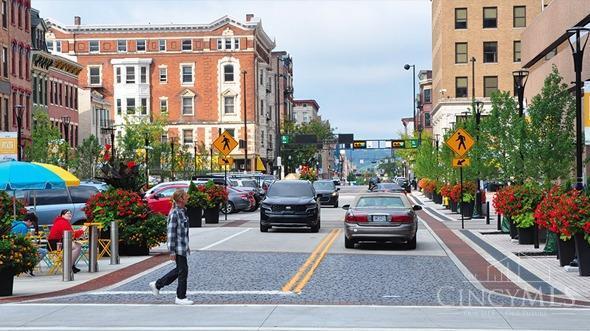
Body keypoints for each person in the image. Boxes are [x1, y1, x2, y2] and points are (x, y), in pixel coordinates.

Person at [149, 189, 193, 305]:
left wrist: (187, 246)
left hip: (182, 247)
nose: (188, 197)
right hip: (177, 248)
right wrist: (172, 251)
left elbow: (183, 233)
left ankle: (157, 285)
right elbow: (171, 233)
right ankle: (180, 297)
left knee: (181, 270)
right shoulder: (175, 213)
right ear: (180, 199)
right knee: (183, 271)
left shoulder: (183, 211)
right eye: (185, 196)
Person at [47, 210, 86, 274]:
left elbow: (70, 235)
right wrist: (82, 230)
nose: (70, 214)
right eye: (67, 213)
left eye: (70, 213)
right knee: (77, 246)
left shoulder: (61, 221)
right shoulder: (63, 222)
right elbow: (72, 234)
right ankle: (68, 266)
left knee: (75, 245)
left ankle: (71, 265)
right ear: (62, 215)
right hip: (56, 244)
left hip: (55, 243)